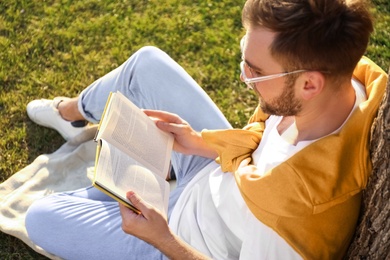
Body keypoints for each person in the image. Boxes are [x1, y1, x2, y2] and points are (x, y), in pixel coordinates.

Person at [24, 0, 387, 259]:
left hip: (185, 237)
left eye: (256, 72)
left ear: (310, 84)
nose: (243, 77)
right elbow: (266, 144)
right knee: (146, 63)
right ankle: (73, 117)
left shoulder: (294, 217)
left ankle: (128, 188)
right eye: (245, 57)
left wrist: (163, 239)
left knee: (40, 217)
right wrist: (201, 142)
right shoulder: (354, 79)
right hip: (219, 175)